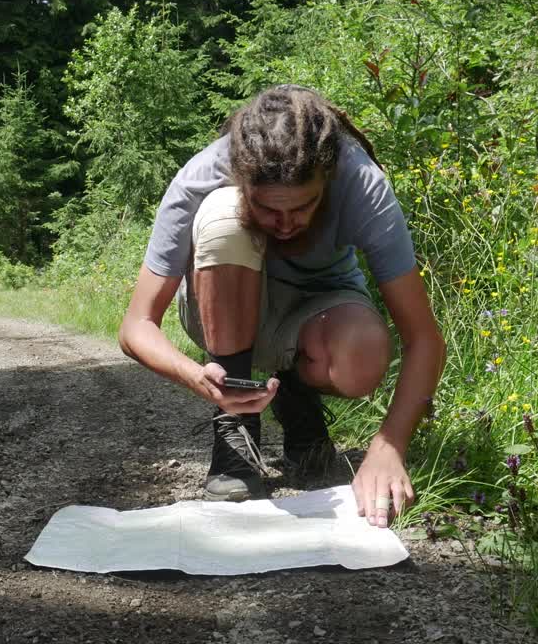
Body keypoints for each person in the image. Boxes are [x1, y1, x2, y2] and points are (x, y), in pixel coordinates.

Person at [117, 84, 445, 529]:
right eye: (269, 209)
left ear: (327, 179)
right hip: (224, 305)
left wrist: (389, 447)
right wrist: (197, 377)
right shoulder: (200, 177)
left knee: (364, 352)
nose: (286, 225)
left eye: (303, 207)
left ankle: (297, 402)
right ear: (240, 176)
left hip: (318, 310)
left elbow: (424, 338)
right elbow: (136, 326)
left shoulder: (361, 181)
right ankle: (236, 431)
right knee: (220, 217)